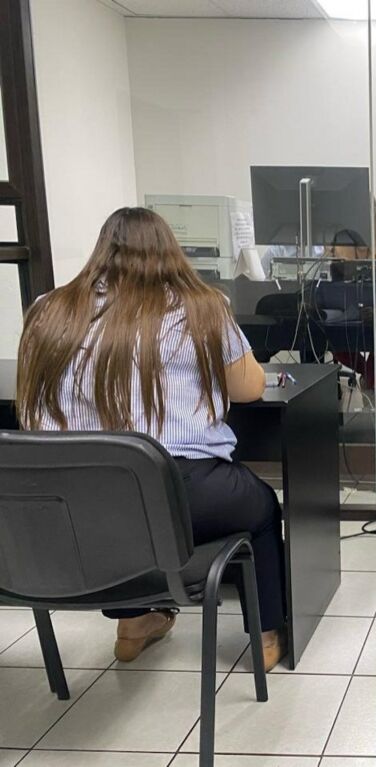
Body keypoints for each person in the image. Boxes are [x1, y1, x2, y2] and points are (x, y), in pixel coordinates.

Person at [16, 207, 288, 670]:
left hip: (68, 501)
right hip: (180, 491)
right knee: (261, 507)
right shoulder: (202, 307)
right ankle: (264, 636)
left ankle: (134, 621)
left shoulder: (49, 309)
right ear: (170, 253)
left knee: (118, 514)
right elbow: (249, 388)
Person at [318, 224, 376, 403]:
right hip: (346, 327)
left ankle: (369, 384)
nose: (344, 266)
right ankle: (370, 380)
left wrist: (375, 313)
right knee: (337, 345)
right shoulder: (331, 271)